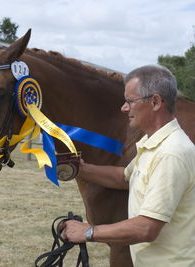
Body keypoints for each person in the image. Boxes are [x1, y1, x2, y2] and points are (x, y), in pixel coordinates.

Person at [61, 64, 195, 266]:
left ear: (156, 102)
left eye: (130, 101)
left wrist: (88, 232)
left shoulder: (171, 153)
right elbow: (124, 177)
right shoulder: (154, 144)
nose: (124, 108)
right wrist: (81, 168)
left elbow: (146, 228)